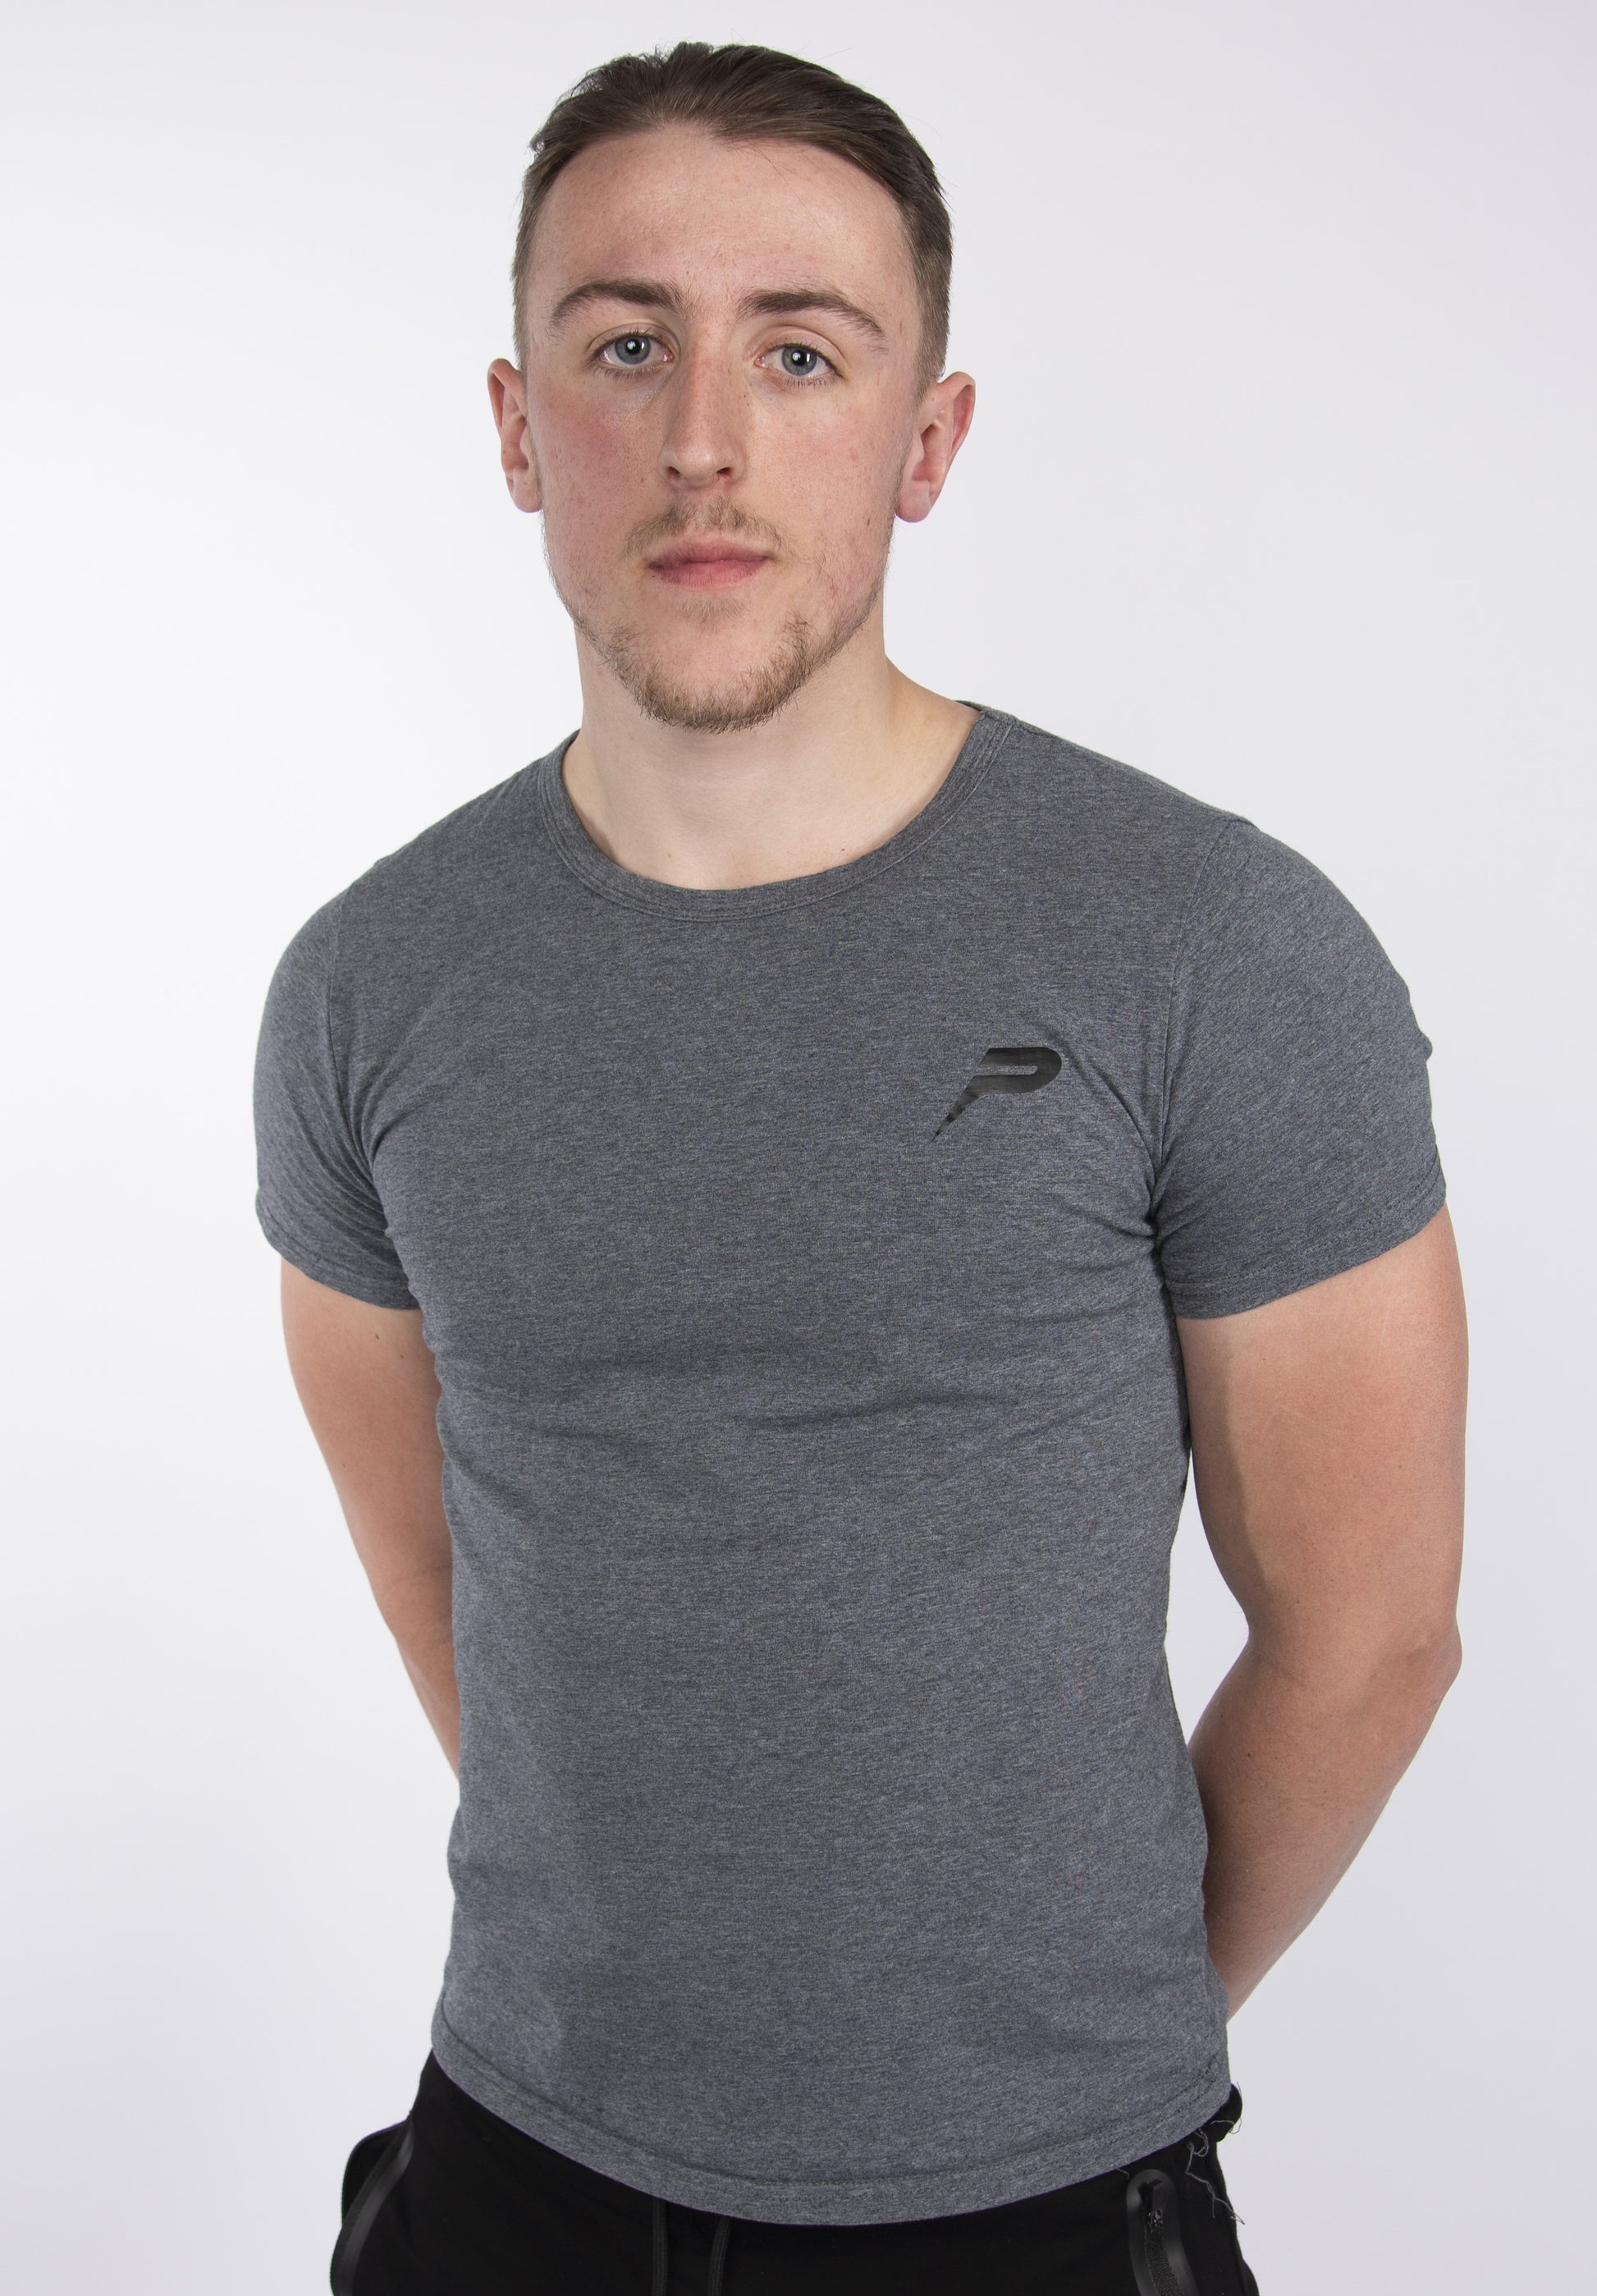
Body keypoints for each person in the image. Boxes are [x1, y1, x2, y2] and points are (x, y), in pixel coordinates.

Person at [253, 41, 1467, 2296]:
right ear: (517, 426)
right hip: (512, 2166)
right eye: (626, 346)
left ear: (928, 438)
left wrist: (1064, 2058)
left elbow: (1370, 1633)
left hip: (1042, 2210)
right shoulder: (367, 986)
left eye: (800, 351)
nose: (704, 438)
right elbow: (441, 1575)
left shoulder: (1211, 947)